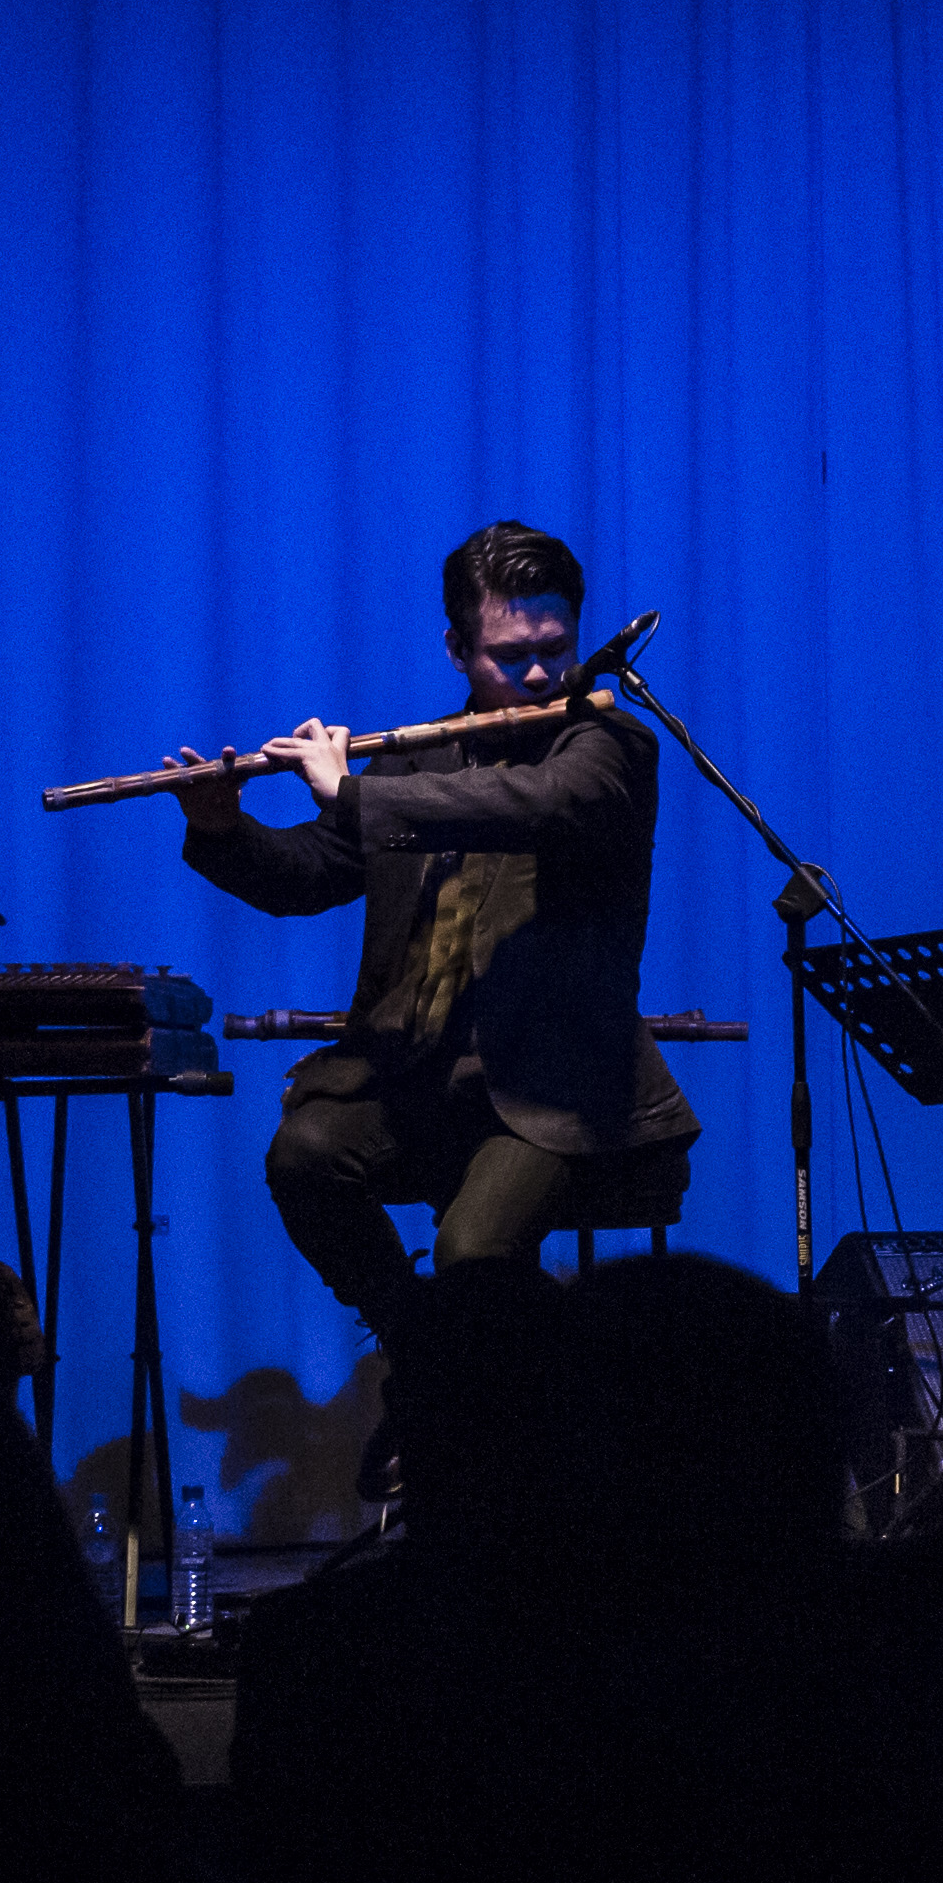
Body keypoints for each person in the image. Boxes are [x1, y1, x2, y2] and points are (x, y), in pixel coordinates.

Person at [167, 520, 696, 1355]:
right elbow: (310, 876)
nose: (538, 674)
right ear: (456, 649)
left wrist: (351, 794)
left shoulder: (607, 748)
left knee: (472, 1252)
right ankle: (418, 1349)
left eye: (555, 648)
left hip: (553, 1089)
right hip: (416, 1075)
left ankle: (470, 1383)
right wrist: (222, 827)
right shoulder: (415, 763)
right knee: (305, 1155)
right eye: (509, 655)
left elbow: (530, 804)